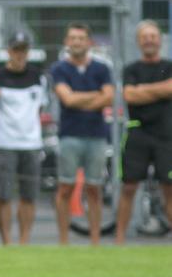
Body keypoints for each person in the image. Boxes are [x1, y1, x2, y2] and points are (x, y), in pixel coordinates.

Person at [50, 23, 113, 245]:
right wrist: (94, 96)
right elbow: (67, 99)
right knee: (65, 187)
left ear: (89, 42)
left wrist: (79, 98)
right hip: (70, 135)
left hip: (96, 135)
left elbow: (108, 98)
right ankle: (64, 240)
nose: (77, 42)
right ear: (67, 42)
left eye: (81, 38)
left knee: (94, 188)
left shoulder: (102, 68)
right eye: (72, 38)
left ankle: (95, 240)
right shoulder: (59, 69)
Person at [116, 20, 172, 244]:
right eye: (145, 36)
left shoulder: (169, 65)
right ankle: (119, 239)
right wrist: (162, 90)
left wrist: (143, 90)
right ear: (138, 41)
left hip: (166, 135)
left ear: (160, 40)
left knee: (168, 188)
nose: (149, 40)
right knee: (129, 187)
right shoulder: (131, 69)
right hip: (138, 133)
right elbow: (129, 96)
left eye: (153, 36)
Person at [0, 32, 47, 245]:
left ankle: (24, 241)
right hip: (5, 143)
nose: (20, 54)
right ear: (9, 51)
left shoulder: (38, 77)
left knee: (29, 195)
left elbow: (40, 108)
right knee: (4, 195)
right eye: (16, 50)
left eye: (23, 50)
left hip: (32, 143)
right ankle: (6, 241)